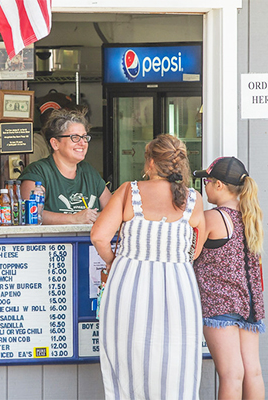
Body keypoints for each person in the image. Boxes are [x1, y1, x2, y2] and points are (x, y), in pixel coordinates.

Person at [91, 134, 205, 400]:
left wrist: (114, 262)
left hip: (130, 283)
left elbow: (99, 236)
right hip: (180, 287)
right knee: (177, 364)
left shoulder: (129, 191)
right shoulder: (194, 199)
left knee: (129, 361)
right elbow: (194, 249)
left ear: (150, 162)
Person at [193, 157, 265, 400]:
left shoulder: (213, 218)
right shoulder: (250, 216)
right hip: (250, 305)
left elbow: (190, 253)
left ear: (219, 185)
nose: (204, 186)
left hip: (219, 305)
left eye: (207, 181)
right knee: (252, 372)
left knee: (232, 374)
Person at [20, 108, 111, 224]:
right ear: (55, 143)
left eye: (84, 137)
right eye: (75, 137)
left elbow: (114, 211)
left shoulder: (89, 171)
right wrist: (75, 218)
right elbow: (31, 213)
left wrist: (91, 216)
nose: (82, 143)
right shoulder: (38, 172)